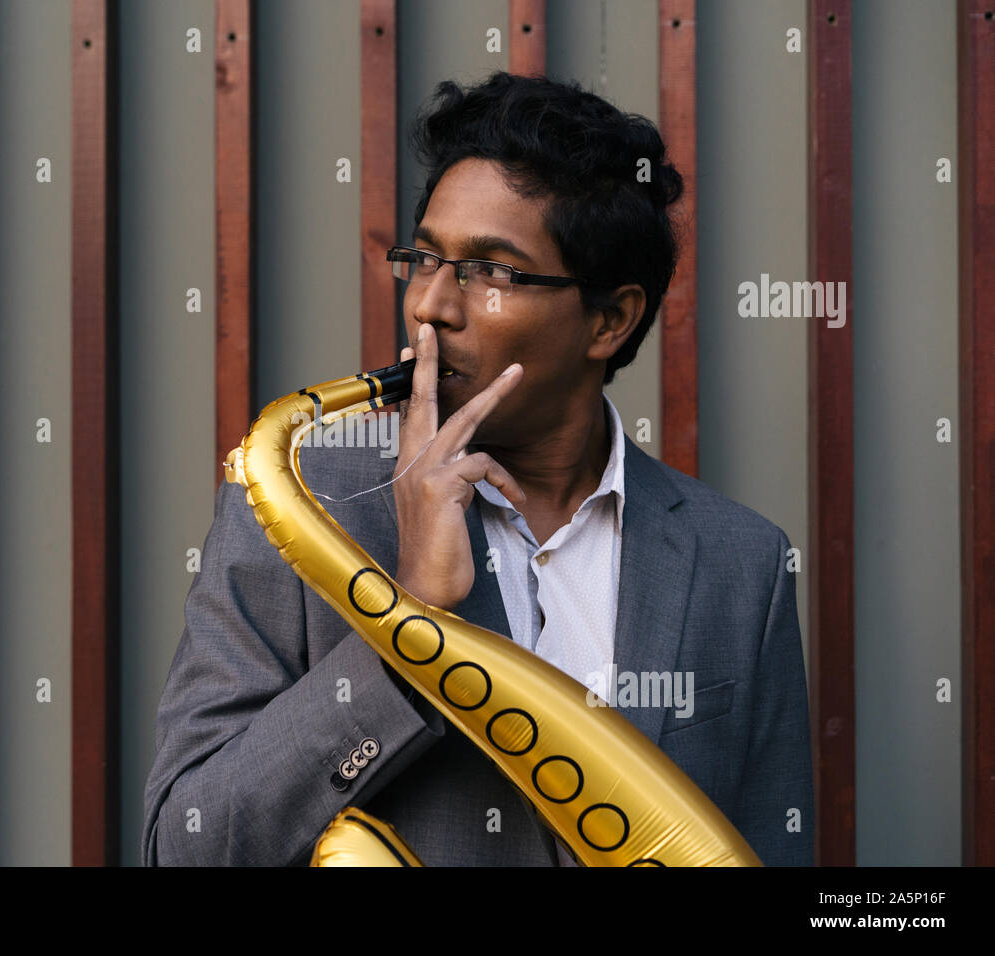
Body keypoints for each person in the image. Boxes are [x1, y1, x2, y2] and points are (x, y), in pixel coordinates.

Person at [141, 71, 814, 866]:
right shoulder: (302, 506)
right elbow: (184, 845)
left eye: (492, 271)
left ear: (611, 319)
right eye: (424, 258)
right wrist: (408, 622)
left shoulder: (745, 563)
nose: (431, 304)